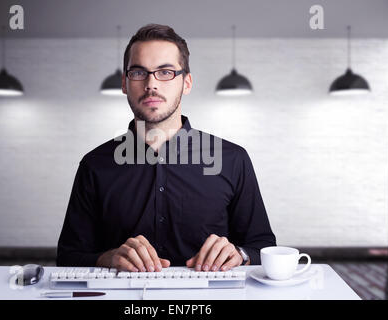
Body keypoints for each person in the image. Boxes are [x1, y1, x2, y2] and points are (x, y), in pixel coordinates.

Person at [57, 24, 276, 272]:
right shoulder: (94, 165)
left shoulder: (233, 159)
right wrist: (108, 258)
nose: (151, 84)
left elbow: (262, 247)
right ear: (124, 83)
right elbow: (68, 257)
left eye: (165, 72)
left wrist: (239, 253)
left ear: (187, 82)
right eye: (139, 73)